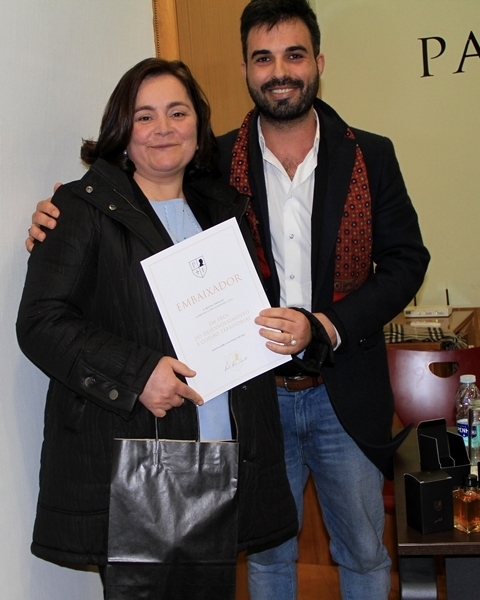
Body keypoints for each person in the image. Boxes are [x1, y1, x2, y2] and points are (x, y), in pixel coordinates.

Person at [26, 1, 431, 599]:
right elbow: (131, 198)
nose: (280, 71)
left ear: (318, 63)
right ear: (245, 70)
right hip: (251, 399)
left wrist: (327, 325)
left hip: (342, 393)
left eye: (294, 55)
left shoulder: (370, 155)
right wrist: (61, 208)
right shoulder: (214, 166)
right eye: (263, 59)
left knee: (366, 552)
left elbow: (406, 262)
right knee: (264, 556)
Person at [17, 57, 298, 600]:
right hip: (138, 468)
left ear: (198, 125)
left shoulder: (223, 207)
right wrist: (138, 374)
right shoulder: (81, 207)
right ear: (122, 132)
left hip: (224, 454)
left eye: (177, 112)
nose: (163, 128)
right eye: (145, 116)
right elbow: (40, 322)